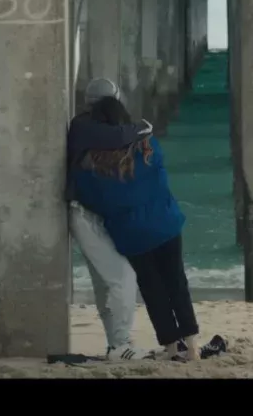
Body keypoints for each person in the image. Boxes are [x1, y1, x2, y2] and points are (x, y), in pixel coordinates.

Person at [73, 95, 201, 361]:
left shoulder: (95, 166)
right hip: (165, 224)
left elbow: (90, 199)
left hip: (132, 237)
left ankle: (170, 347)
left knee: (152, 289)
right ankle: (192, 346)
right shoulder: (149, 147)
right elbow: (160, 175)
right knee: (176, 282)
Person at [67, 77, 153, 361]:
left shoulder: (93, 129)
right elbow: (116, 138)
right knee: (124, 278)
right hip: (84, 216)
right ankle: (121, 344)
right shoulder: (83, 127)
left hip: (99, 217)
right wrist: (141, 128)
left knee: (107, 284)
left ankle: (115, 345)